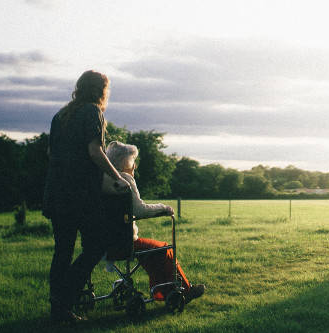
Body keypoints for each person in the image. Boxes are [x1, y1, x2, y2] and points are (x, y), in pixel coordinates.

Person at [42, 70, 129, 323]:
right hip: (79, 195)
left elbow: (51, 152)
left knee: (63, 251)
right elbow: (95, 151)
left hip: (56, 192)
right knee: (96, 246)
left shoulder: (61, 115)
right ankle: (65, 297)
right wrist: (117, 177)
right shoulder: (93, 112)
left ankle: (58, 309)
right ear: (101, 90)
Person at [101, 141, 206, 302]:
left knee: (152, 250)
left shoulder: (102, 180)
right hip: (124, 241)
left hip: (103, 242)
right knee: (163, 248)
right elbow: (140, 210)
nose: (134, 166)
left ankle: (164, 291)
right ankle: (183, 290)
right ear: (125, 162)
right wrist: (164, 208)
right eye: (133, 161)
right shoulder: (125, 179)